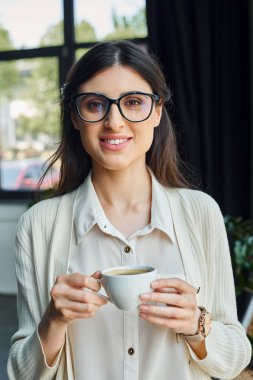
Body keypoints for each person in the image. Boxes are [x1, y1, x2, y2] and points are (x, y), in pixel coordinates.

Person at [8, 40, 251, 380]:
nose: (114, 121)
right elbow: (22, 373)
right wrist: (54, 321)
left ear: (156, 111)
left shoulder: (201, 213)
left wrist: (196, 325)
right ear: (76, 118)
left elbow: (236, 358)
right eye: (95, 105)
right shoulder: (39, 226)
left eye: (133, 102)